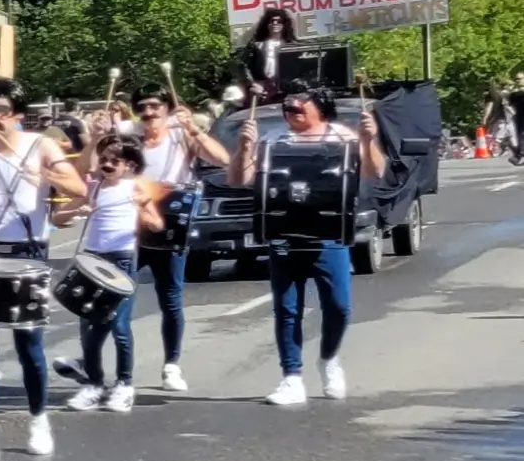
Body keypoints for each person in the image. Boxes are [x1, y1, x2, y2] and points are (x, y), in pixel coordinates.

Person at [0, 80, 84, 461]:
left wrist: (44, 177)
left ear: (18, 114)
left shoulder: (40, 145)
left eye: (1, 110)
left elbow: (77, 187)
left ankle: (39, 420)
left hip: (27, 249)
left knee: (29, 343)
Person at [234, 82, 385, 406]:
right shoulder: (273, 140)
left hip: (328, 235)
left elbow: (375, 171)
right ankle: (291, 378)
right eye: (287, 105)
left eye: (299, 103)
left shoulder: (342, 138)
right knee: (287, 310)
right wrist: (244, 148)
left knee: (339, 307)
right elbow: (238, 180)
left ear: (319, 106)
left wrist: (369, 140)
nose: (291, 109)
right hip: (284, 236)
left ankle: (329, 358)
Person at [62, 138, 170, 413]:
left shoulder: (134, 188)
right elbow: (57, 218)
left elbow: (157, 225)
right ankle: (95, 385)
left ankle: (124, 385)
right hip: (93, 259)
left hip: (121, 259)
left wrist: (141, 210)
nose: (107, 165)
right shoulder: (93, 187)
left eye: (115, 161)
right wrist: (78, 210)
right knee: (89, 326)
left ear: (128, 165)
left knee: (119, 326)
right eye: (104, 159)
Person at [131, 91, 225, 394]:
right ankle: (99, 363)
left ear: (168, 109)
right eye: (142, 107)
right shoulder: (130, 137)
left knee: (170, 299)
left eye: (155, 106)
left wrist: (194, 130)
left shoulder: (180, 135)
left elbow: (221, 159)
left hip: (170, 224)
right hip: (130, 227)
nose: (149, 112)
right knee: (114, 292)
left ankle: (171, 364)